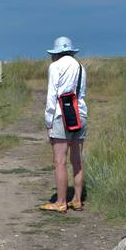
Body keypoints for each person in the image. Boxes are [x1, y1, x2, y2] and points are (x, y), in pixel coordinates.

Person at [42, 36, 87, 213]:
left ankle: (61, 202)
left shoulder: (55, 66)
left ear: (57, 53)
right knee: (77, 160)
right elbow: (82, 94)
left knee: (59, 161)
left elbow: (52, 95)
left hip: (61, 115)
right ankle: (77, 200)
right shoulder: (81, 68)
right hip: (80, 114)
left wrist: (48, 121)